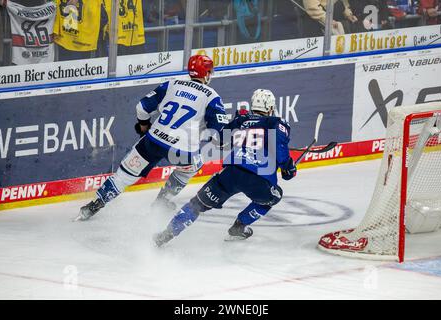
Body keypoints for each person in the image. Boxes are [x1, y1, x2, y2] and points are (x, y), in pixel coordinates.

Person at [75, 54, 229, 221]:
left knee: (125, 175)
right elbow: (218, 134)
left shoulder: (172, 84)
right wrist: (220, 142)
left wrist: (144, 126)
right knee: (193, 166)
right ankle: (162, 201)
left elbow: (141, 107)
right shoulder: (212, 96)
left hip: (153, 140)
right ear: (206, 73)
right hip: (182, 151)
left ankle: (93, 206)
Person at [153, 89, 297, 246]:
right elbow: (279, 145)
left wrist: (237, 123)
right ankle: (239, 226)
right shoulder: (277, 122)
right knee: (273, 197)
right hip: (259, 178)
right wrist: (288, 167)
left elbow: (220, 141)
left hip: (230, 173)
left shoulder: (241, 120)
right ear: (270, 108)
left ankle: (166, 235)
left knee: (197, 204)